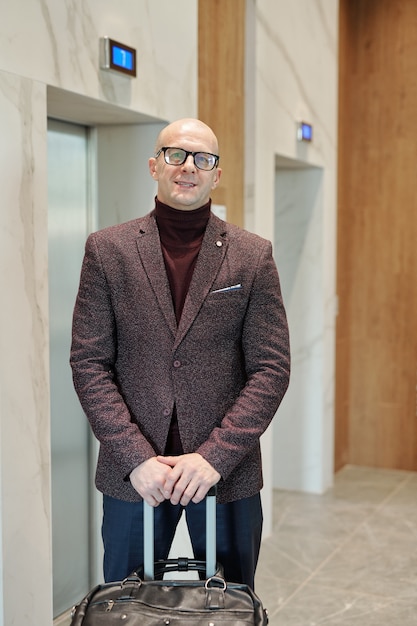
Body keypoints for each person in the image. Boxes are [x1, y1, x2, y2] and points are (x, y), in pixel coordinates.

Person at [70, 118, 290, 589]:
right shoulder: (108, 250)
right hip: (135, 476)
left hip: (225, 475)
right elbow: (89, 364)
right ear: (154, 165)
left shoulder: (252, 256)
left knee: (231, 604)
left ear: (217, 174)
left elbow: (271, 369)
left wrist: (214, 457)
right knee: (126, 604)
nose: (189, 167)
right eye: (176, 154)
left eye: (203, 159)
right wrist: (135, 458)